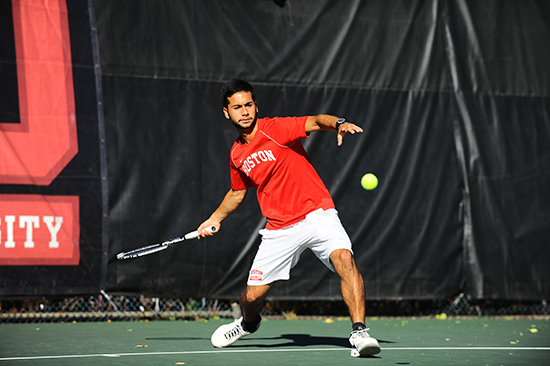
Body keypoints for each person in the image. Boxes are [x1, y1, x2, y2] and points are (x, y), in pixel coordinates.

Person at [197, 79, 380, 357]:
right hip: (279, 228)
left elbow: (317, 121)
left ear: (256, 106)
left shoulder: (275, 129)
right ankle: (247, 323)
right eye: (237, 107)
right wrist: (214, 219)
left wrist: (338, 122)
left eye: (248, 105)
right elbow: (237, 193)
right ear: (227, 113)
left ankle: (360, 332)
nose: (244, 111)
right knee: (252, 297)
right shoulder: (237, 154)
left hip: (317, 213)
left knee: (344, 258)